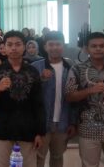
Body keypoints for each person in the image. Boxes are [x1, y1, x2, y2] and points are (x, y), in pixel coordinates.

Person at [0, 30, 45, 167]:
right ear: (4, 48)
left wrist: (39, 132)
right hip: (3, 129)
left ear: (24, 47)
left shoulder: (32, 71)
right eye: (10, 44)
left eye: (18, 44)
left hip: (28, 130)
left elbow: (39, 104)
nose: (13, 48)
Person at [65, 32, 104, 167]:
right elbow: (69, 96)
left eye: (102, 46)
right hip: (88, 127)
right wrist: (90, 90)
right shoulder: (77, 68)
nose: (98, 49)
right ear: (87, 49)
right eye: (94, 46)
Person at [31, 31, 77, 167]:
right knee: (38, 158)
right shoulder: (36, 67)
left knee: (57, 157)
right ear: (45, 47)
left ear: (63, 46)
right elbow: (29, 96)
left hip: (62, 123)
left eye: (58, 44)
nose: (55, 47)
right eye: (51, 44)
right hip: (41, 124)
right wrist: (41, 80)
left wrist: (73, 122)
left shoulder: (71, 68)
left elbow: (74, 98)